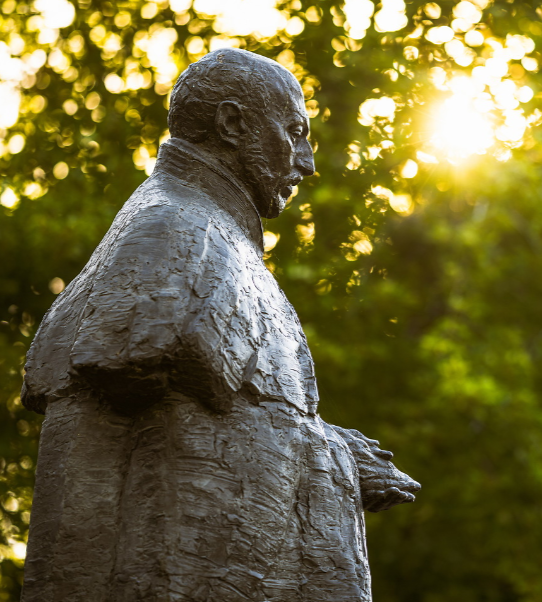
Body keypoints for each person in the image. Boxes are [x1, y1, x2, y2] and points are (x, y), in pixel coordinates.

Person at [21, 49, 420, 602]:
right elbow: (132, 357)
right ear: (233, 124)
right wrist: (331, 458)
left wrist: (328, 449)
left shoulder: (210, 231)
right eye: (294, 133)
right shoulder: (175, 226)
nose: (305, 163)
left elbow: (219, 416)